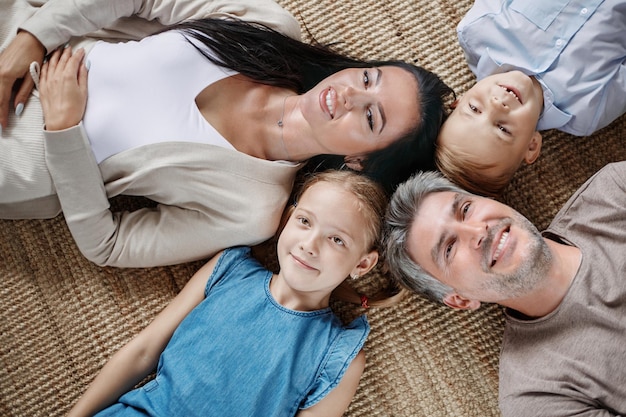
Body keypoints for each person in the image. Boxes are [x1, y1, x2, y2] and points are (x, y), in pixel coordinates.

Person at [0, 1, 454, 268]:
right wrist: (33, 38)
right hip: (17, 32)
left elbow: (110, 245)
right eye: (369, 78)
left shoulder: (252, 209)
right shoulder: (269, 28)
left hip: (16, 154)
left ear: (360, 161)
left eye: (371, 118)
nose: (349, 94)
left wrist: (64, 129)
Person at [66, 169, 398, 417]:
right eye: (305, 221)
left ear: (363, 264)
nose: (309, 246)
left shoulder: (339, 355)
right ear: (287, 220)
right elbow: (142, 352)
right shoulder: (229, 268)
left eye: (336, 239)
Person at [383, 165, 626, 416]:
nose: (479, 231)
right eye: (449, 248)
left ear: (488, 199)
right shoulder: (537, 396)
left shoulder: (614, 192)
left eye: (466, 209)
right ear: (460, 300)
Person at [435, 0, 626, 196]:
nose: (497, 105)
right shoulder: (587, 113)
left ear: (459, 100)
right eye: (503, 128)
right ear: (532, 145)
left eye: (474, 109)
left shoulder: (477, 32)